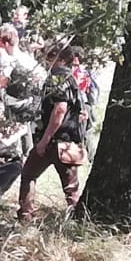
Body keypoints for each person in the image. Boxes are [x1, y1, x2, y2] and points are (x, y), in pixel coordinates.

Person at [17, 44, 88, 221]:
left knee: (28, 175)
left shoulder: (57, 80)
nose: (48, 61)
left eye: (51, 57)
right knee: (71, 189)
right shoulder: (72, 81)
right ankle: (78, 222)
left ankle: (25, 216)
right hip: (69, 143)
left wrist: (45, 140)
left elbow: (60, 109)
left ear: (61, 59)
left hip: (54, 141)